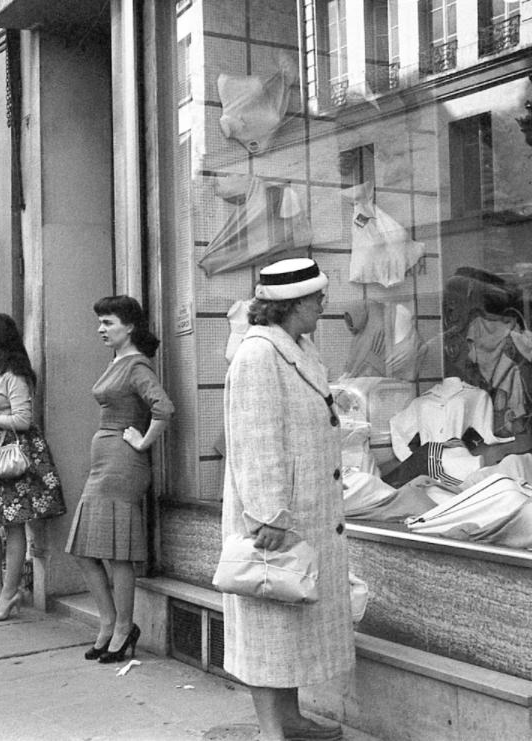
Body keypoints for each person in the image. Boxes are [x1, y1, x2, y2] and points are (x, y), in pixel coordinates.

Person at [222, 257, 353, 741]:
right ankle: (270, 730)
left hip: (305, 512)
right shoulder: (258, 354)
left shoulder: (296, 347)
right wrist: (267, 514)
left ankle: (291, 719)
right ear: (291, 305)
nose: (324, 305)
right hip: (275, 517)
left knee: (290, 620)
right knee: (268, 622)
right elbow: (255, 439)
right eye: (317, 299)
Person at [66, 296, 174, 663]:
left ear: (129, 326)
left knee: (117, 553)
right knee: (85, 549)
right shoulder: (119, 362)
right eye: (100, 322)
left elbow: (163, 407)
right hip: (106, 462)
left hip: (123, 465)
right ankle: (110, 622)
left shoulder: (137, 365)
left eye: (108, 322)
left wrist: (141, 441)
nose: (101, 329)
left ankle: (122, 627)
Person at [0, 313, 66, 621]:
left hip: (11, 455)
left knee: (12, 522)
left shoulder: (15, 376)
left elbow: (24, 420)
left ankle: (9, 592)